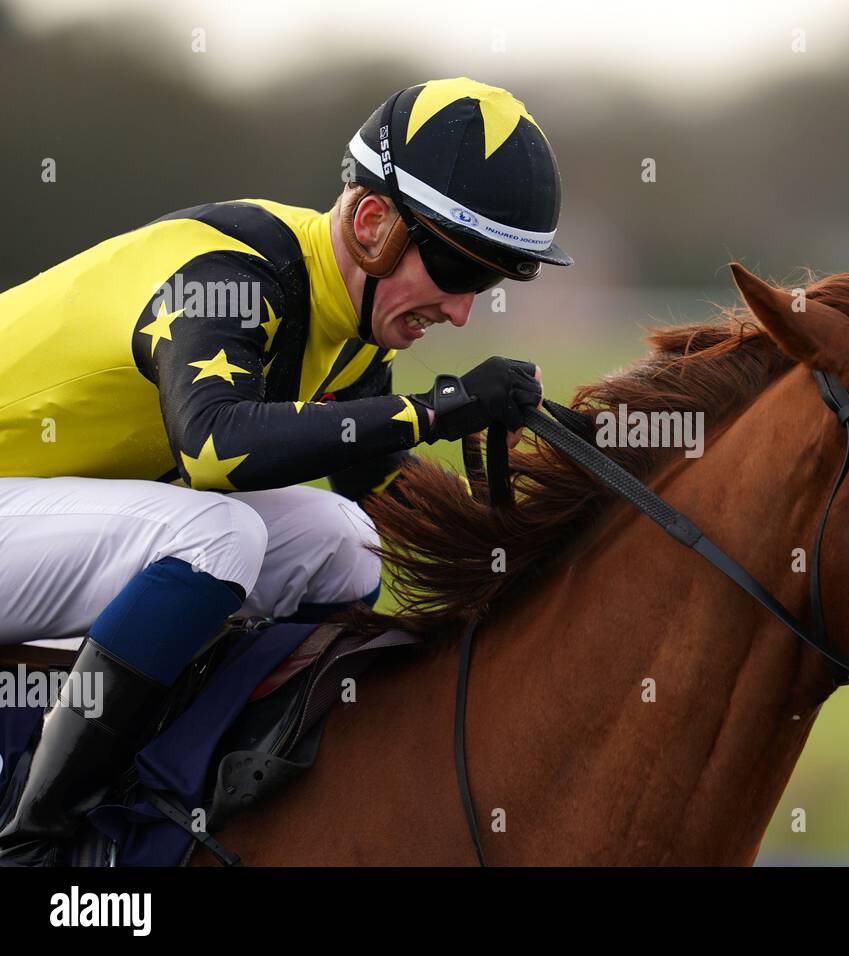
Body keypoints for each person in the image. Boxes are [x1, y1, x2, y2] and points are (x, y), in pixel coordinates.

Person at [0, 77, 572, 865]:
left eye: (493, 281)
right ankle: (32, 843)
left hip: (32, 512)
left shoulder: (351, 322)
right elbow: (216, 447)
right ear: (373, 223)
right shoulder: (227, 276)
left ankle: (192, 790)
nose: (464, 311)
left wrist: (546, 523)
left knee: (347, 542)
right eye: (459, 272)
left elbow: (383, 491)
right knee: (219, 534)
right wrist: (438, 410)